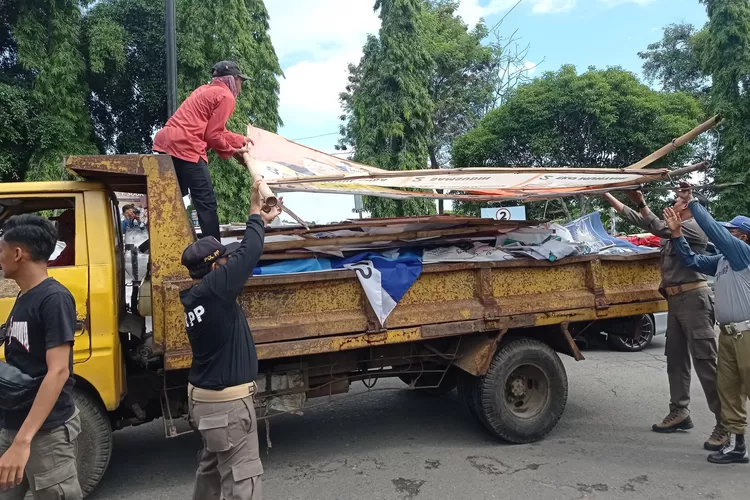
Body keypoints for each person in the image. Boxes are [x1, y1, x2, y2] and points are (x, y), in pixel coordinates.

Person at [181, 180, 281, 500]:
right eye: (223, 258)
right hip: (227, 406)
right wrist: (254, 212)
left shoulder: (197, 294)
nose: (228, 260)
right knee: (243, 482)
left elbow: (239, 254)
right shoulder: (216, 289)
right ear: (215, 266)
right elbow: (250, 251)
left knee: (210, 474)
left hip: (206, 401)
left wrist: (260, 221)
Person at [604, 190, 725, 449]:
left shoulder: (695, 227)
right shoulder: (675, 227)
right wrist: (610, 197)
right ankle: (679, 412)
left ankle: (725, 424)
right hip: (675, 300)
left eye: (680, 202)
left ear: (693, 208)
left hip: (694, 300)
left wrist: (641, 202)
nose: (674, 204)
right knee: (676, 359)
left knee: (706, 363)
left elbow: (656, 226)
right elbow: (647, 223)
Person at [664, 184, 750, 465]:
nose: (726, 235)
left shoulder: (741, 255)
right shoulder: (724, 260)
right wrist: (677, 235)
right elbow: (691, 260)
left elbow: (714, 232)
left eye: (731, 232)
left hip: (746, 334)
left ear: (743, 238)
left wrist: (693, 203)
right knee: (729, 391)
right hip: (728, 334)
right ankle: (737, 447)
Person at [0, 215, 81, 498]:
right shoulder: (25, 296)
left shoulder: (53, 298)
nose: (0, 257)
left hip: (44, 433)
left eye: (1, 250)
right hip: (14, 423)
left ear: (18, 253)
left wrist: (23, 441)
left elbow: (58, 371)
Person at [153, 60, 253, 241]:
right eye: (241, 81)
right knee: (206, 202)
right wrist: (233, 152)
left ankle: (159, 243)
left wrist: (240, 140)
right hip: (185, 146)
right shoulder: (226, 96)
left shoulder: (204, 90)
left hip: (167, 142)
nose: (241, 86)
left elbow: (214, 130)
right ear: (232, 79)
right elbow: (213, 136)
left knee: (174, 197)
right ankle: (213, 252)